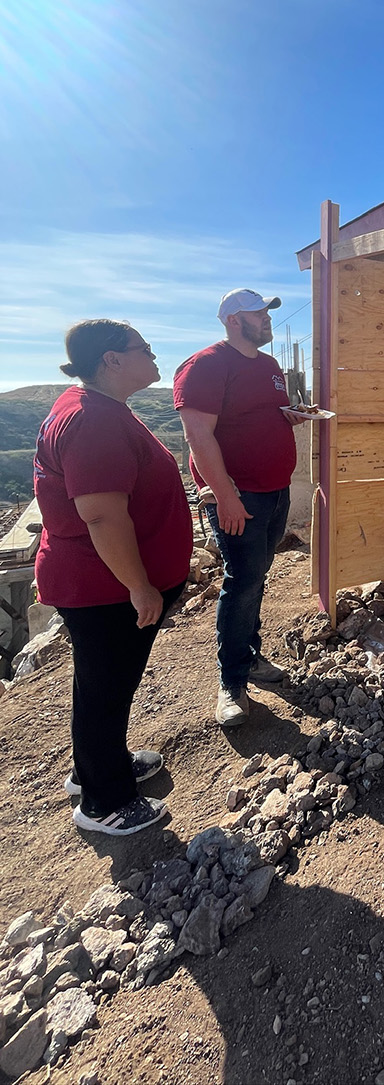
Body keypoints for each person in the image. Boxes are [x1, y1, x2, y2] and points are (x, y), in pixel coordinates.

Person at [34, 320, 193, 836]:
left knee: (103, 683)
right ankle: (104, 802)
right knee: (106, 687)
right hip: (104, 588)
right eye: (142, 348)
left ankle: (98, 769)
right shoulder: (93, 420)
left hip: (102, 585)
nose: (152, 355)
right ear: (112, 359)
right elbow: (101, 515)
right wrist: (139, 587)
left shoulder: (98, 407)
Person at [173, 289, 307, 728]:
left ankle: (250, 658)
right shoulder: (206, 365)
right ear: (233, 320)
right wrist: (225, 496)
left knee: (255, 577)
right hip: (240, 496)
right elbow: (198, 436)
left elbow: (258, 415)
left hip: (275, 491)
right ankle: (231, 682)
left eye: (269, 314)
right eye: (259, 314)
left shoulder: (268, 366)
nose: (268, 320)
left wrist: (289, 414)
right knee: (242, 581)